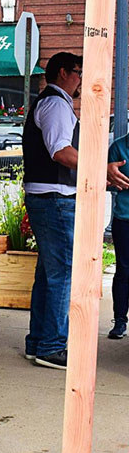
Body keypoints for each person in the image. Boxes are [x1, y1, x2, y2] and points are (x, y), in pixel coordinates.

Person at [22, 52, 82, 370]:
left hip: (44, 197)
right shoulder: (57, 104)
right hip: (56, 198)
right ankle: (52, 346)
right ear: (63, 73)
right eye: (77, 73)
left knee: (47, 274)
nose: (80, 80)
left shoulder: (45, 102)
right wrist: (97, 167)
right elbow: (61, 151)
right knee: (61, 274)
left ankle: (38, 342)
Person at [106, 133, 129, 338]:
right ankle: (120, 321)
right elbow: (106, 180)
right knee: (123, 270)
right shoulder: (118, 147)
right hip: (124, 218)